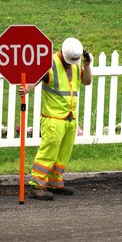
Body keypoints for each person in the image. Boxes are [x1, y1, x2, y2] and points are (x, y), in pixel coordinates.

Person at [19, 37, 92, 201]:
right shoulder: (49, 63)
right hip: (53, 119)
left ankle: (54, 182)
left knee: (62, 154)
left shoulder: (76, 64)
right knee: (48, 152)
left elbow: (87, 81)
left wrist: (87, 65)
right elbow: (37, 78)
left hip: (70, 118)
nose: (71, 63)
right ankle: (36, 186)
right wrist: (27, 88)